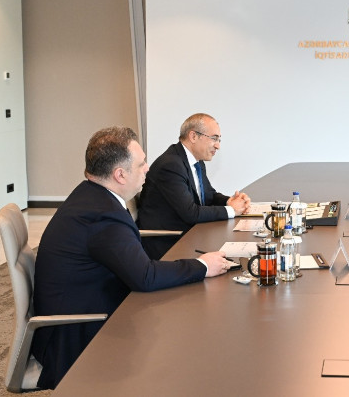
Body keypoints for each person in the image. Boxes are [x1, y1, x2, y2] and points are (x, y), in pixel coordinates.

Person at [31, 127, 231, 390]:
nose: (148, 169)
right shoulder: (102, 215)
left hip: (88, 309)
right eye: (141, 163)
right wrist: (203, 265)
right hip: (77, 336)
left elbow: (137, 268)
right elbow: (145, 277)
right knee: (184, 341)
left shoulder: (92, 196)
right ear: (120, 174)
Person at [137, 113, 251, 259]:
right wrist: (232, 210)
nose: (218, 145)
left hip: (190, 235)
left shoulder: (196, 161)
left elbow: (209, 195)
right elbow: (191, 213)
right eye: (214, 138)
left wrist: (229, 201)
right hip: (169, 244)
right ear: (193, 136)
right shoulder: (171, 165)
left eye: (219, 139)